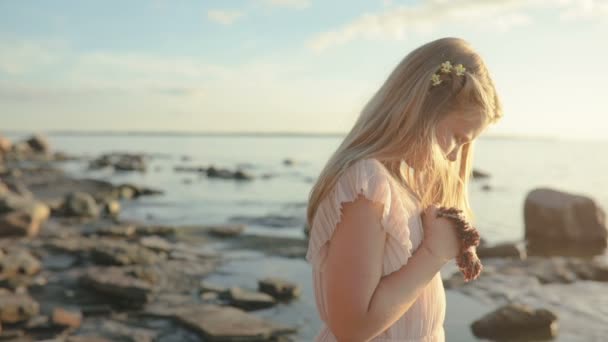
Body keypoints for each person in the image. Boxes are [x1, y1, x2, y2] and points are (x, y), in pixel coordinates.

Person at [305, 37, 503, 341]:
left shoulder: (404, 187)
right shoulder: (366, 185)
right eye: (458, 138)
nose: (453, 157)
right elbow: (352, 328)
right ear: (421, 110)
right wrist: (434, 254)